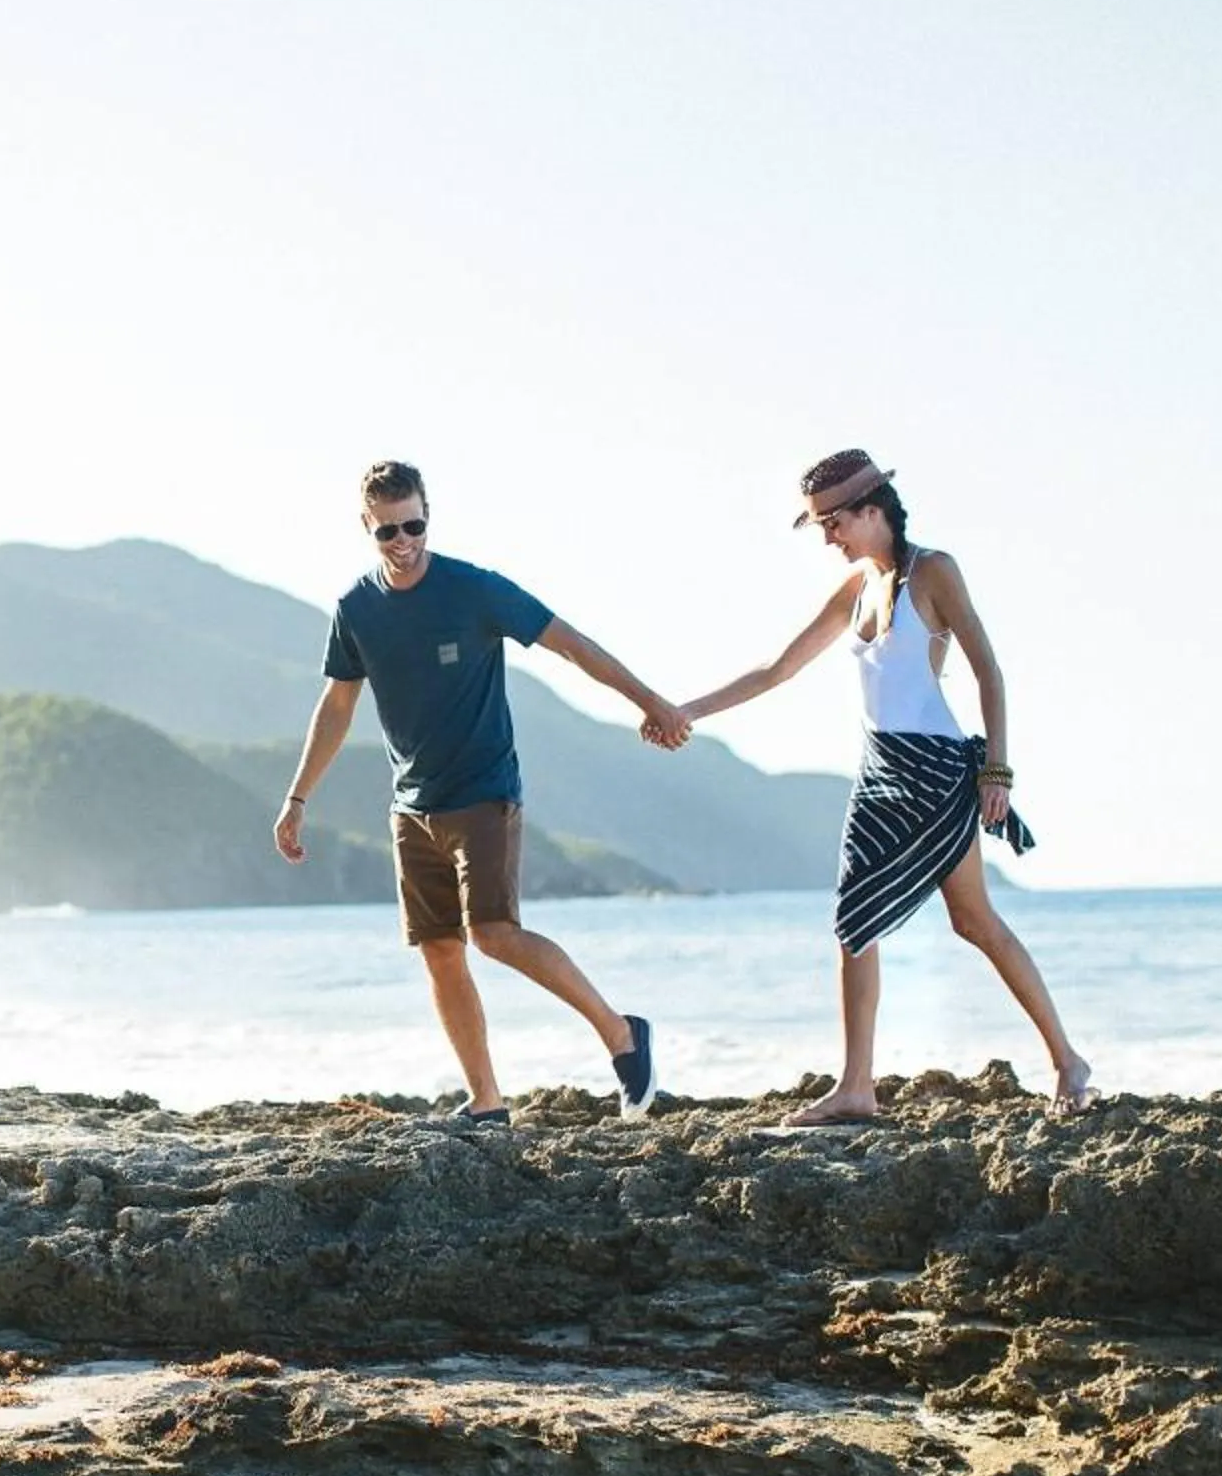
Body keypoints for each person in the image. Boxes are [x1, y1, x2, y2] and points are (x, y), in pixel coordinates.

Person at [673, 449, 1092, 1123]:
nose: (827, 538)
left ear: (872, 510)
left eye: (832, 523)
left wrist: (998, 771)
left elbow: (989, 672)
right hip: (877, 774)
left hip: (934, 772)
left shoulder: (934, 572)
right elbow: (778, 669)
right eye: (818, 527)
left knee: (974, 922)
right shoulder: (856, 588)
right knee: (854, 923)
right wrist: (687, 711)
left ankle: (1068, 1061)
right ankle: (857, 1087)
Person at [275, 460, 688, 1124]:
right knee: (440, 951)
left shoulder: (473, 590)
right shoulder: (356, 609)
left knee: (492, 934)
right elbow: (337, 704)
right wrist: (298, 798)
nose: (403, 540)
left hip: (484, 792)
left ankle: (622, 1034)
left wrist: (650, 702)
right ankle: (487, 1101)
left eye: (414, 524)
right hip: (412, 806)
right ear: (366, 527)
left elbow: (571, 645)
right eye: (387, 531)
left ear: (428, 515)